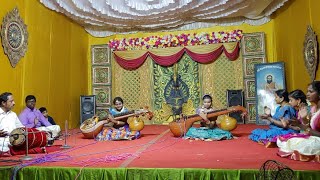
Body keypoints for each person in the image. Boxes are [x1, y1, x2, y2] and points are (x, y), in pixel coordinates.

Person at [277, 81, 320, 162]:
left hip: (318, 139)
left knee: (300, 145)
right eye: (307, 91)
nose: (307, 94)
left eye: (310, 91)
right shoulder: (313, 109)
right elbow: (308, 128)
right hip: (313, 137)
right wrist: (302, 121)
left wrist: (301, 126)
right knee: (287, 142)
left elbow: (309, 130)